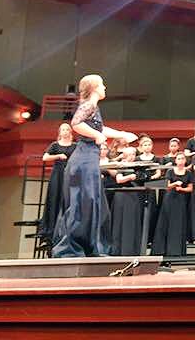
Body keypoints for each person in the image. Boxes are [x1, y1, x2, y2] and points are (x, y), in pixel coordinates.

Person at [52, 74, 136, 258]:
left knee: (92, 202)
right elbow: (75, 123)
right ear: (94, 88)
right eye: (102, 84)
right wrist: (97, 136)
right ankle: (73, 247)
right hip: (83, 159)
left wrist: (121, 134)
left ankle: (89, 246)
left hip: (89, 159)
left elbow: (100, 128)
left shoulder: (93, 107)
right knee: (84, 202)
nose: (105, 87)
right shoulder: (88, 105)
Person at [152, 150, 192, 257]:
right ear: (175, 160)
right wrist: (175, 184)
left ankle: (176, 250)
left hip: (181, 200)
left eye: (183, 158)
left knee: (179, 223)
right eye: (179, 158)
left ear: (185, 160)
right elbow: (167, 186)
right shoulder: (170, 171)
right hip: (170, 199)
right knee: (166, 222)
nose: (181, 160)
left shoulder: (188, 173)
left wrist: (182, 189)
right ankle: (162, 249)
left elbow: (190, 188)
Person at [40, 123, 76, 240]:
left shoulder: (74, 146)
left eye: (67, 129)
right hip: (58, 173)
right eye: (63, 130)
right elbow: (45, 157)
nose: (65, 131)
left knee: (68, 198)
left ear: (70, 132)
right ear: (60, 132)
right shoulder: (55, 145)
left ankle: (67, 228)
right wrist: (58, 156)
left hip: (70, 174)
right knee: (55, 196)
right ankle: (52, 227)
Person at [110, 146, 145, 256]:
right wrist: (131, 177)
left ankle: (132, 250)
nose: (132, 157)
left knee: (132, 222)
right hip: (122, 196)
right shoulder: (121, 166)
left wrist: (136, 176)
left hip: (134, 196)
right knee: (120, 222)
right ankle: (118, 250)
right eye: (129, 155)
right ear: (125, 156)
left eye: (133, 155)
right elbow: (119, 180)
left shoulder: (138, 167)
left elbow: (143, 178)